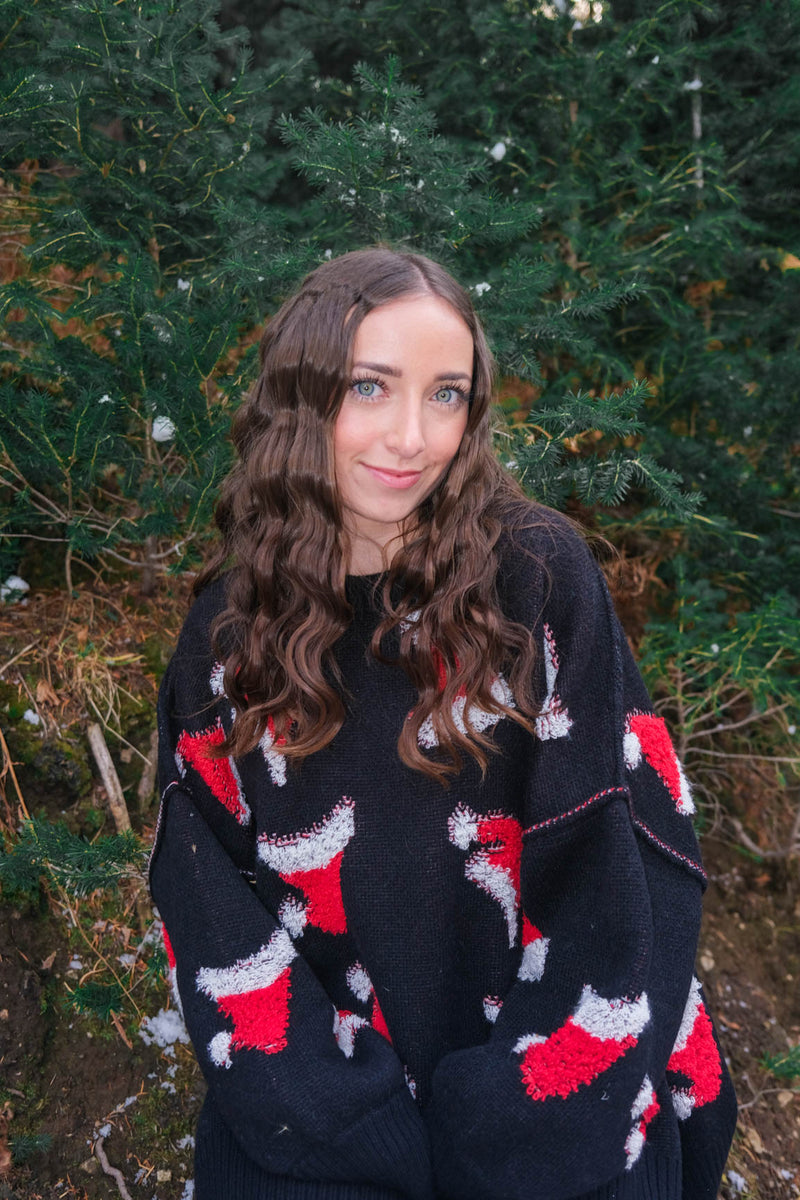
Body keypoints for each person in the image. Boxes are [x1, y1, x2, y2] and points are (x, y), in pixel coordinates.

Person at [149, 247, 737, 1200]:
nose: (411, 436)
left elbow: (622, 861)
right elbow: (211, 911)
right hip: (320, 1112)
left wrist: (516, 1119)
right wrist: (345, 1124)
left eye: (448, 394)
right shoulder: (230, 630)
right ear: (300, 397)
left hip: (560, 1091)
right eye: (369, 387)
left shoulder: (536, 580)